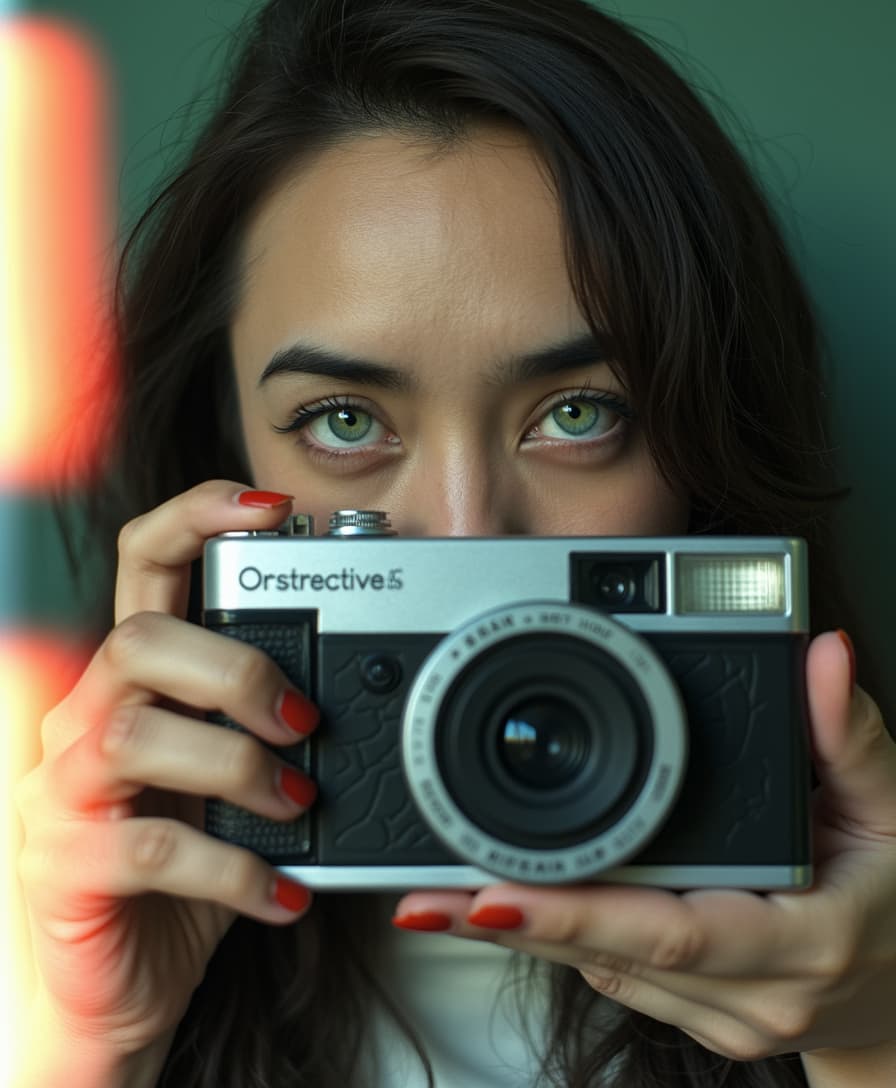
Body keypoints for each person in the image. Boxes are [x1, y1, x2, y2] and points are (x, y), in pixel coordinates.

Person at [15, 1, 896, 1086]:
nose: (469, 533)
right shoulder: (41, 912)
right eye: (344, 421)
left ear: (708, 441)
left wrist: (868, 1035)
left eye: (579, 413)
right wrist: (94, 1039)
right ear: (221, 450)